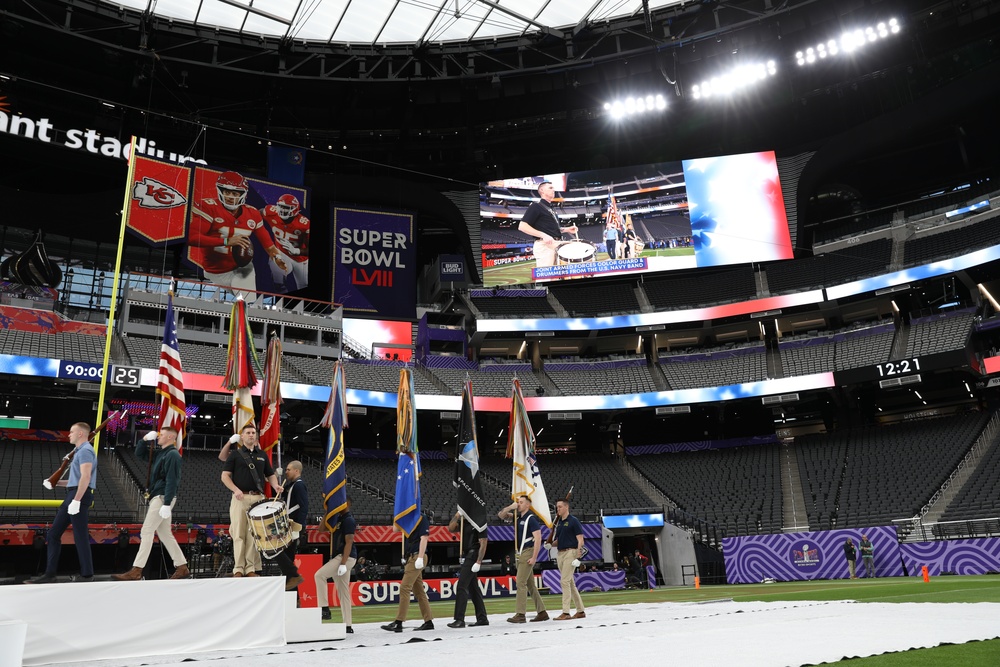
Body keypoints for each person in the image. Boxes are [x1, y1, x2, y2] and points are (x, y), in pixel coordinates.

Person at [188, 171, 287, 293]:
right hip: (213, 271)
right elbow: (192, 238)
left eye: (234, 193)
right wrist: (226, 241)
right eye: (227, 192)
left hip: (241, 267)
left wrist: (277, 257)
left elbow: (268, 245)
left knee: (246, 297)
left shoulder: (253, 213)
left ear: (243, 194)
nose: (230, 197)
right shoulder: (209, 207)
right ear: (220, 191)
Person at [112, 427, 189, 581]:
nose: (158, 437)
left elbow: (172, 480)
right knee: (165, 534)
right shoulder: (162, 453)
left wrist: (167, 503)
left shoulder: (172, 454)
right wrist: (144, 440)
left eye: (161, 435)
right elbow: (140, 454)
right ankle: (182, 566)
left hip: (162, 497)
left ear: (170, 437)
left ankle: (137, 570)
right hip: (159, 496)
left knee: (147, 531)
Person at [28, 422, 97, 583]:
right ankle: (50, 574)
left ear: (80, 434)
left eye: (72, 432)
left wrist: (77, 500)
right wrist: (55, 483)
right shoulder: (80, 451)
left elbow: (85, 478)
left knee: (80, 536)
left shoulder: (86, 451)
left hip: (78, 496)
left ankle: (87, 575)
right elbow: (76, 480)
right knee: (53, 534)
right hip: (73, 494)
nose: (69, 434)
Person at [220, 424, 283, 577]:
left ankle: (250, 569)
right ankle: (238, 569)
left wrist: (275, 485)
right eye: (247, 432)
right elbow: (224, 476)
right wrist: (235, 490)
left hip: (258, 499)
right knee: (239, 534)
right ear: (242, 436)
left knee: (253, 535)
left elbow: (270, 474)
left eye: (253, 432)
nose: (251, 435)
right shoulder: (235, 454)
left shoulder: (262, 454)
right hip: (240, 499)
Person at [498, 496, 548, 623]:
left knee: (520, 582)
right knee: (530, 584)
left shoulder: (531, 519)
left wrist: (534, 557)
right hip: (522, 552)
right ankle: (542, 612)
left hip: (528, 551)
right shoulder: (518, 517)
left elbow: (538, 538)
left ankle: (520, 614)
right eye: (518, 502)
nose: (518, 504)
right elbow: (501, 515)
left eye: (521, 502)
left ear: (528, 505)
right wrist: (510, 507)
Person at [381, 513, 434, 632]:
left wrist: (420, 557)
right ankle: (428, 621)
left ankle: (399, 622)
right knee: (419, 591)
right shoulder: (407, 518)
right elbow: (395, 529)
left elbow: (424, 538)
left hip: (417, 557)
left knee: (405, 588)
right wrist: (399, 514)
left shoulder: (421, 517)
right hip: (411, 557)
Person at [314, 497, 358, 632]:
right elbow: (321, 530)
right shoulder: (337, 518)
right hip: (340, 557)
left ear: (347, 504)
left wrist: (343, 563)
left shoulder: (348, 520)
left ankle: (324, 608)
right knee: (344, 592)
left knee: (319, 575)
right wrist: (327, 512)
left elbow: (349, 541)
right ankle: (348, 625)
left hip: (345, 557)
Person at [517, 181, 578, 269]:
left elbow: (550, 229)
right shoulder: (536, 206)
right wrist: (543, 235)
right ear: (542, 191)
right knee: (546, 277)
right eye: (550, 188)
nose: (553, 190)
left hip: (555, 243)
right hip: (545, 246)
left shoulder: (551, 208)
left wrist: (566, 229)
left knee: (557, 277)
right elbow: (522, 226)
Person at [446, 512, 489, 628]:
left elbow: (484, 542)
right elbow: (450, 528)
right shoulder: (464, 522)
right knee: (473, 588)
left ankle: (459, 619)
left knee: (461, 586)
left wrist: (479, 561)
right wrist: (457, 515)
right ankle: (482, 618)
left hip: (473, 555)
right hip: (467, 555)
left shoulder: (480, 522)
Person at [262, 194, 310, 291]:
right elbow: (257, 214)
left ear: (295, 210)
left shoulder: (304, 224)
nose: (283, 210)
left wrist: (296, 251)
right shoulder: (271, 212)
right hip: (281, 252)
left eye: (286, 208)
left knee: (304, 286)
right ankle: (282, 302)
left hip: (301, 259)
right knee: (278, 281)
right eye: (281, 207)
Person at [551, 498, 585, 620]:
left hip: (571, 552)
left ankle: (566, 612)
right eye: (557, 507)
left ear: (566, 507)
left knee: (564, 581)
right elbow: (558, 540)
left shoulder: (573, 521)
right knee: (570, 583)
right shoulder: (559, 522)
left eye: (560, 507)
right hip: (560, 553)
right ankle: (580, 610)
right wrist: (550, 544)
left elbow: (580, 539)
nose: (558, 509)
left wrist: (578, 554)